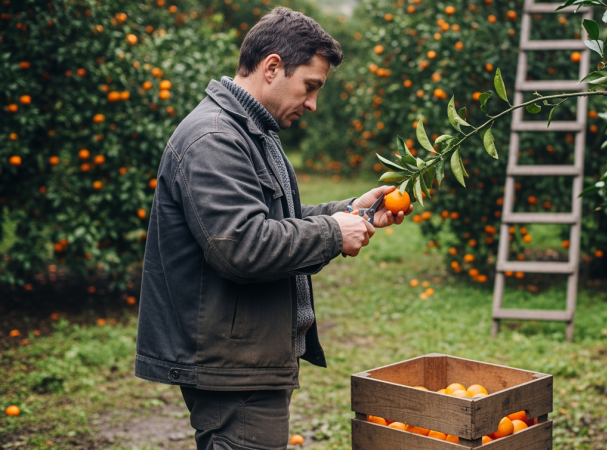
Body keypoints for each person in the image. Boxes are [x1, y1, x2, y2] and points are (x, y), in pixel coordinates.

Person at [133, 7, 412, 450]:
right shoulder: (215, 139)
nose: (313, 104)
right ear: (272, 67)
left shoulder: (253, 132)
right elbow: (241, 246)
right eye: (310, 87)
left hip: (247, 355)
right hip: (231, 365)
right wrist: (334, 233)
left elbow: (274, 223)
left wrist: (350, 211)